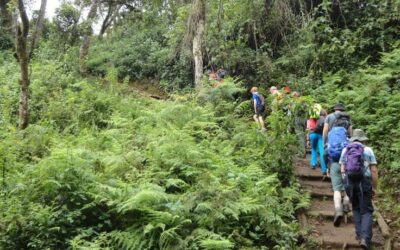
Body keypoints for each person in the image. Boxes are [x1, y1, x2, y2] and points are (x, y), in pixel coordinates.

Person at [340, 129, 378, 249]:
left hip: (349, 182)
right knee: (366, 210)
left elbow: (342, 169)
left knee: (356, 208)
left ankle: (360, 235)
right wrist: (374, 187)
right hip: (364, 182)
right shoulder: (368, 150)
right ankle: (365, 239)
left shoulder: (345, 150)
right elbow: (374, 170)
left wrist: (346, 184)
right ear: (363, 139)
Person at [322, 103, 353, 227]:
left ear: (334, 109)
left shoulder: (329, 117)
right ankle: (346, 201)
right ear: (342, 109)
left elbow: (325, 130)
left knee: (336, 189)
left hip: (334, 160)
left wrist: (325, 143)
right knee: (347, 185)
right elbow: (351, 134)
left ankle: (338, 209)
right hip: (346, 160)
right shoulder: (347, 118)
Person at [306, 109, 327, 174]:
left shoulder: (314, 119)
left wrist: (308, 138)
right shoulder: (326, 119)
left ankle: (313, 164)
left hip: (313, 134)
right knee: (322, 152)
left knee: (313, 149)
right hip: (321, 135)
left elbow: (309, 128)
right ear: (325, 114)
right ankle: (324, 169)